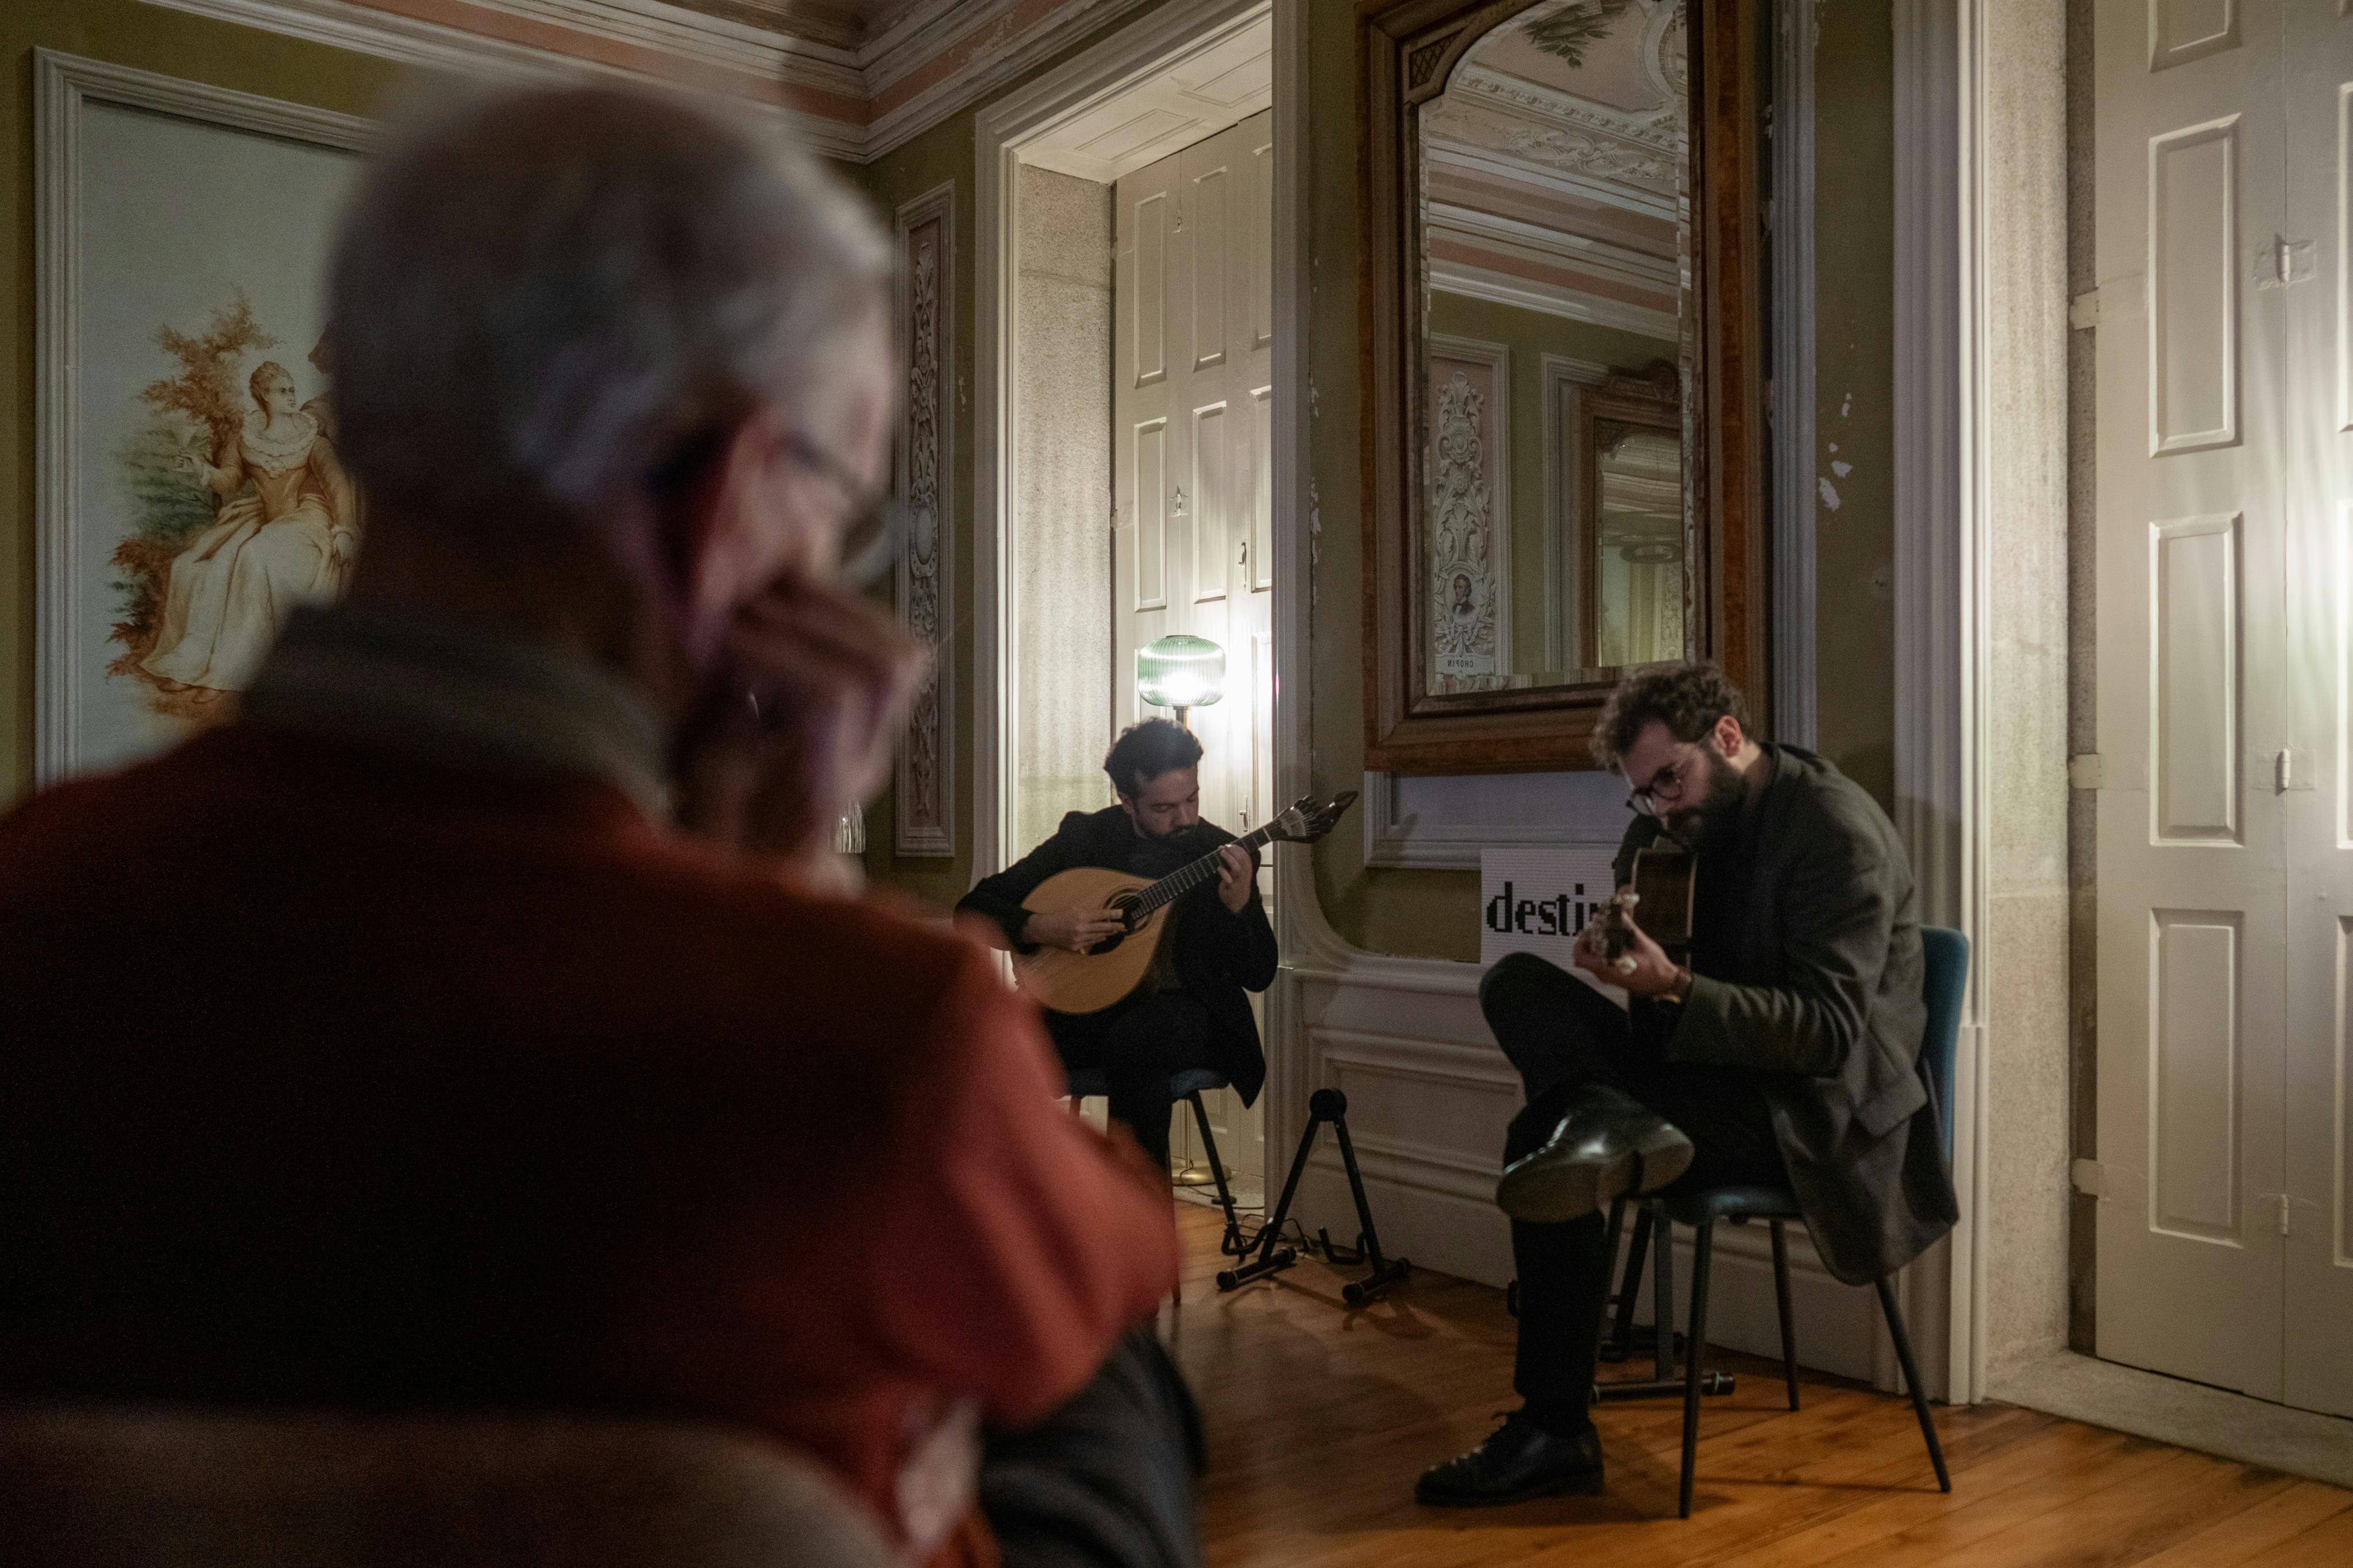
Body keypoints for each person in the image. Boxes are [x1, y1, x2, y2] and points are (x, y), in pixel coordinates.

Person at [0, 83, 1197, 1568]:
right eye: (837, 498)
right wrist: (800, 895)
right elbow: (1134, 1256)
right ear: (732, 497)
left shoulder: (33, 890)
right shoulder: (870, 1031)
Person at [1415, 664, 1958, 1506]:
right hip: (1705, 1081)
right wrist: (1624, 930)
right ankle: (1610, 1124)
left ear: (1730, 739)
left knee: (1539, 1141)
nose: (1663, 804)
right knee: (1516, 981)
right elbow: (1659, 967)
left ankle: (1555, 1430)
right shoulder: (1683, 829)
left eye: (1672, 779)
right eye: (1645, 793)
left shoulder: (1834, 831)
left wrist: (1672, 986)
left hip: (1811, 1113)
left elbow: (1826, 1035)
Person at [958, 720, 1276, 1172]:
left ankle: (1135, 1225)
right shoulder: (1085, 840)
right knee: (989, 1037)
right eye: (1164, 807)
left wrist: (1239, 906)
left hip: (1185, 1016)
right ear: (1127, 802)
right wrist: (1041, 928)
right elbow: (974, 909)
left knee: (1135, 1042)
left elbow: (1260, 973)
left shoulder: (1222, 853)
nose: (1185, 818)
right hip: (1090, 1007)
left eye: (1192, 799)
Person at [142, 359, 360, 697]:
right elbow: (228, 481)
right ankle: (192, 665)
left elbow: (338, 489)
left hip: (308, 518)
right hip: (268, 517)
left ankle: (228, 674)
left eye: (292, 390)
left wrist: (344, 531)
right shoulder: (245, 438)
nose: (291, 396)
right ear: (263, 397)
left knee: (254, 556)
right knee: (194, 567)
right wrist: (202, 468)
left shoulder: (311, 438)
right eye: (281, 391)